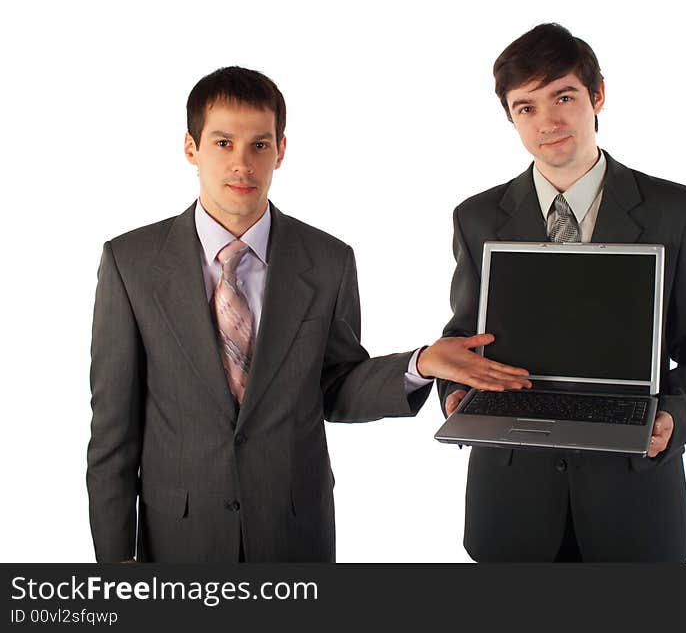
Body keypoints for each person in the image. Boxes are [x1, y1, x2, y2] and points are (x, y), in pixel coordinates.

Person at [87, 66, 530, 563]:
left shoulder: (327, 260)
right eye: (222, 143)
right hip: (178, 539)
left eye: (259, 145)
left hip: (294, 535)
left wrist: (421, 362)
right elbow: (112, 434)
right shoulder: (132, 264)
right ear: (190, 148)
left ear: (281, 150)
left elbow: (334, 387)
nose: (242, 164)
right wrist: (113, 562)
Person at [438, 24, 686, 562]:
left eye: (563, 96)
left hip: (632, 496)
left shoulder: (674, 211)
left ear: (597, 95)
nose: (547, 122)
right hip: (512, 498)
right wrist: (457, 392)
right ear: (510, 117)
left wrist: (673, 415)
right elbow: (464, 334)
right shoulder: (477, 217)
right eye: (525, 107)